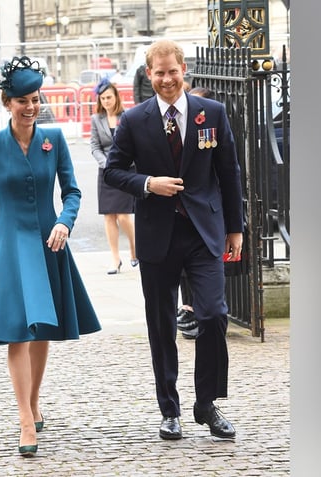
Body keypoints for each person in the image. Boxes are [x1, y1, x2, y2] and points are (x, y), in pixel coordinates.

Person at [0, 56, 101, 458]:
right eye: (23, 101)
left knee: (41, 329)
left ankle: (34, 401)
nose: (31, 107)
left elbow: (72, 192)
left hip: (49, 243)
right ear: (8, 102)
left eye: (35, 99)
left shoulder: (54, 140)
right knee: (18, 330)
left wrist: (65, 223)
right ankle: (24, 418)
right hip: (10, 245)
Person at [104, 40, 243, 441]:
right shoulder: (134, 120)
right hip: (157, 234)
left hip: (203, 232)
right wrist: (149, 183)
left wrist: (235, 228)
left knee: (213, 314)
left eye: (173, 71)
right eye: (159, 73)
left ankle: (206, 404)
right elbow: (113, 171)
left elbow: (229, 172)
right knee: (161, 325)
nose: (167, 79)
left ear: (184, 70)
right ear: (149, 74)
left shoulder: (211, 113)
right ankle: (170, 410)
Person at [176, 86, 218, 339]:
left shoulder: (214, 123)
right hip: (176, 217)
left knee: (212, 301)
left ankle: (199, 312)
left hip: (205, 216)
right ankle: (188, 308)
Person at [89, 77, 138, 274]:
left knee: (124, 216)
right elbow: (95, 146)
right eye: (103, 98)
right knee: (109, 216)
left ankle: (134, 249)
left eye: (109, 97)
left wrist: (121, 163)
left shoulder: (127, 116)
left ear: (116, 97)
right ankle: (115, 259)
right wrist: (106, 164)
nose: (106, 101)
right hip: (106, 171)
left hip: (126, 170)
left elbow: (134, 144)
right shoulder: (96, 119)